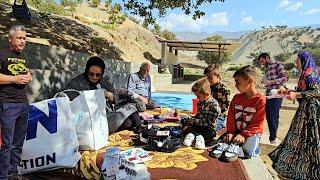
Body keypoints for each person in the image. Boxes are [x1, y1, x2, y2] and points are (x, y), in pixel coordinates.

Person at [269, 51, 320, 179]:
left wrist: (296, 95)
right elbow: (303, 91)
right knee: (300, 140)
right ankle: (300, 169)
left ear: (303, 60)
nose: (296, 64)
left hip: (312, 113)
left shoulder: (311, 73)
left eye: (297, 61)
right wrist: (287, 91)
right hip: (304, 111)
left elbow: (316, 91)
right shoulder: (305, 73)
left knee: (312, 141)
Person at [65, 56, 141, 134]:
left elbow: (115, 97)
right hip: (90, 121)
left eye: (98, 75)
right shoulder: (77, 83)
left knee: (128, 101)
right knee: (126, 122)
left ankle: (138, 124)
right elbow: (65, 97)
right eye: (91, 74)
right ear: (86, 71)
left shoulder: (103, 80)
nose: (94, 77)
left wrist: (107, 94)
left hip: (106, 114)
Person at [210, 65, 266, 162]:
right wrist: (231, 132)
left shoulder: (261, 100)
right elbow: (231, 117)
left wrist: (244, 135)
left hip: (250, 134)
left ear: (250, 81)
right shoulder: (236, 98)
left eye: (238, 82)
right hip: (236, 132)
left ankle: (248, 148)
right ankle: (234, 145)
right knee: (225, 139)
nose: (235, 85)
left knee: (248, 150)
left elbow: (258, 124)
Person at [0, 25, 33, 179]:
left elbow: (27, 73)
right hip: (7, 104)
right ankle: (3, 175)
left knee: (18, 143)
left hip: (23, 104)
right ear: (10, 38)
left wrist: (28, 77)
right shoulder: (2, 53)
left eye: (24, 38)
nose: (22, 41)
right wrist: (14, 79)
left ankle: (13, 172)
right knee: (6, 144)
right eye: (19, 38)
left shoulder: (24, 56)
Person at [182, 77, 221, 149]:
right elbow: (198, 115)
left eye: (198, 96)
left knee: (210, 134)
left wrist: (194, 121)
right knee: (185, 128)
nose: (197, 98)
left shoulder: (214, 105)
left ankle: (197, 137)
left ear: (206, 94)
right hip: (199, 126)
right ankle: (193, 136)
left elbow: (208, 122)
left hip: (208, 128)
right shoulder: (200, 103)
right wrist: (190, 120)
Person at [258, 53, 288, 144]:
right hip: (268, 94)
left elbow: (285, 78)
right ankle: (272, 136)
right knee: (269, 116)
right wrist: (264, 82)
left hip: (277, 94)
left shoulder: (277, 64)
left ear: (267, 58)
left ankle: (273, 138)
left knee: (274, 116)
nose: (262, 64)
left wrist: (272, 82)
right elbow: (267, 82)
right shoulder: (266, 68)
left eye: (262, 61)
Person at [204, 64, 230, 131]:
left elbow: (225, 107)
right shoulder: (208, 87)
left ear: (217, 76)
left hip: (219, 116)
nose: (208, 80)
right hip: (208, 113)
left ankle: (223, 124)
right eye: (206, 78)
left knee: (211, 128)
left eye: (210, 78)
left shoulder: (223, 89)